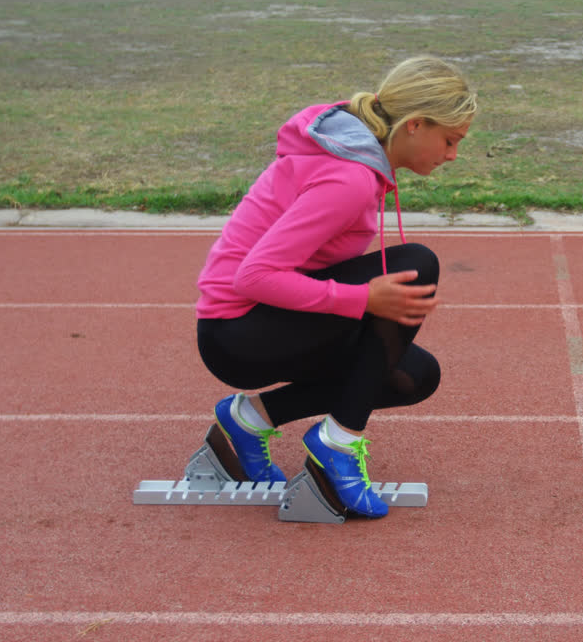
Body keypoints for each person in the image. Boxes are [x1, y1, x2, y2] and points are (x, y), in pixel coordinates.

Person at [194, 56, 477, 518]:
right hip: (236, 331)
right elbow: (254, 276)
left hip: (264, 322)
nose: (452, 155)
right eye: (449, 140)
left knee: (415, 375)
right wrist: (362, 298)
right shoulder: (348, 178)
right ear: (415, 125)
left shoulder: (356, 165)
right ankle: (339, 444)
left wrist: (362, 303)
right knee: (416, 264)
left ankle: (249, 420)